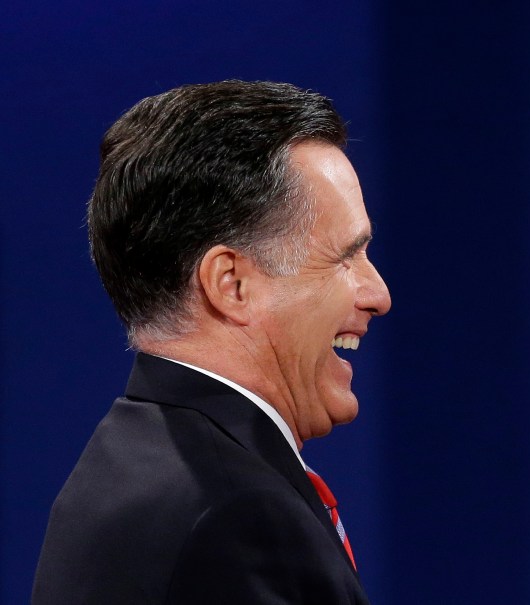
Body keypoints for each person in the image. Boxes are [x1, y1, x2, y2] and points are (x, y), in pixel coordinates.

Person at [33, 80, 390, 604]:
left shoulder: (129, 460)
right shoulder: (235, 514)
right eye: (345, 256)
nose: (377, 294)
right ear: (232, 284)